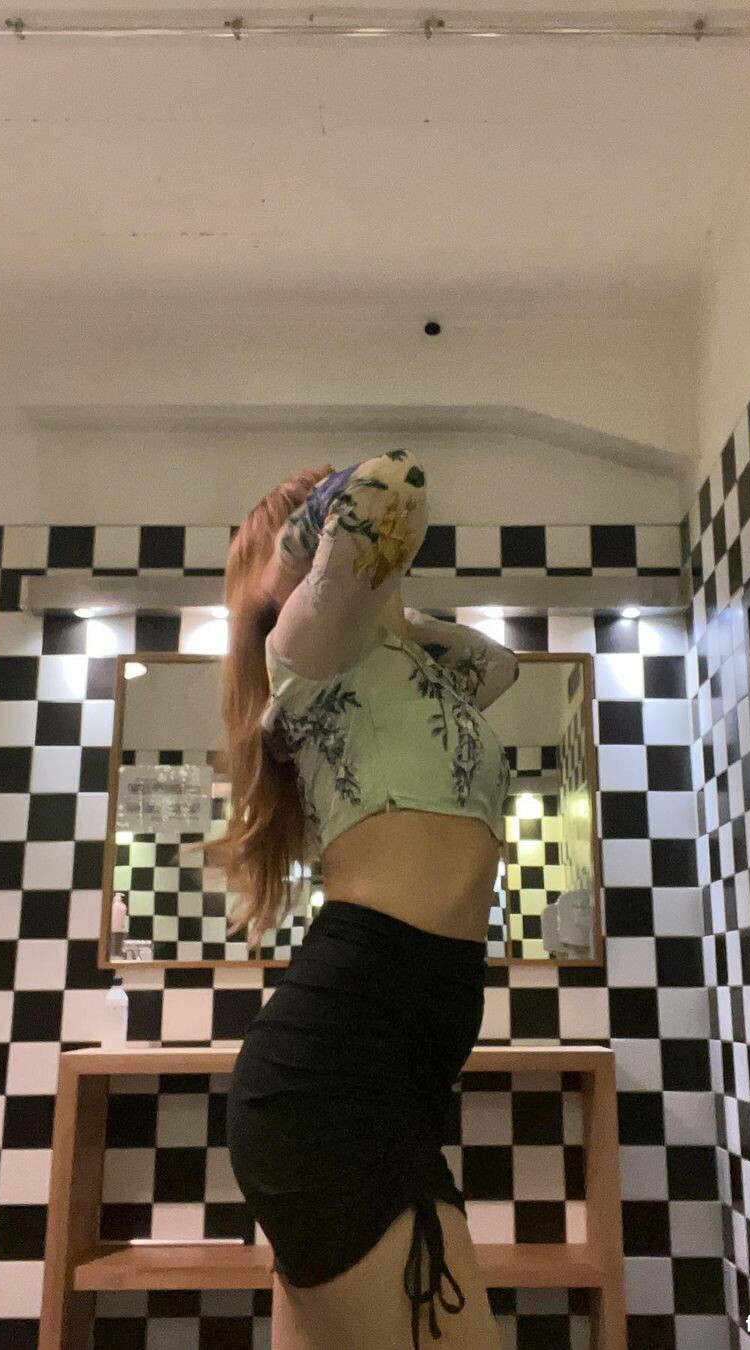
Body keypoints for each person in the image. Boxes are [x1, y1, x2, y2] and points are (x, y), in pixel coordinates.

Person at [217, 446, 518, 1349]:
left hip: (389, 1083)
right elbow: (391, 484)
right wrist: (280, 576)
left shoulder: (393, 665)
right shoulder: (305, 648)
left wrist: (397, 619)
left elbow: (501, 667)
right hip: (334, 1082)